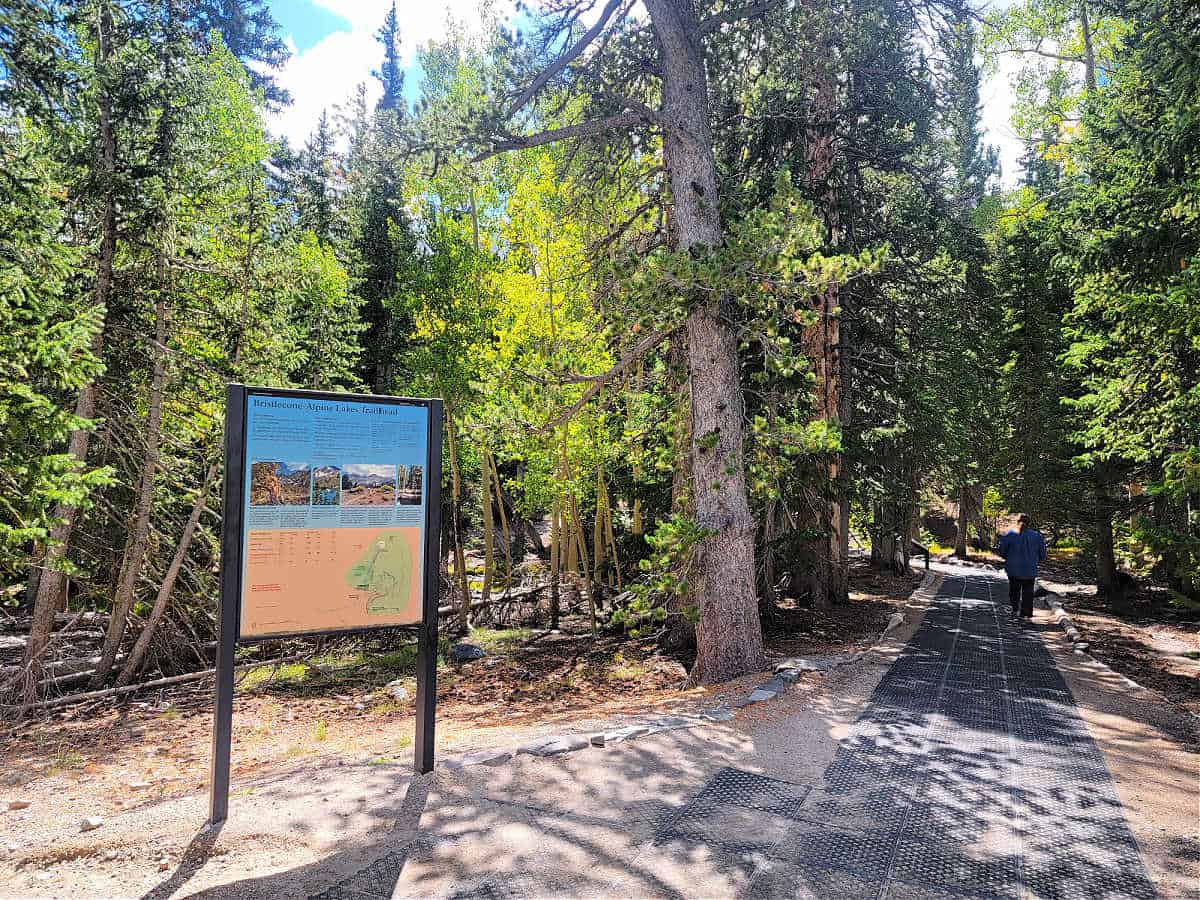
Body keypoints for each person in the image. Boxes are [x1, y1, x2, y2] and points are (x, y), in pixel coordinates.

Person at [997, 513, 1047, 620]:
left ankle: (1015, 609)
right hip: (1030, 570)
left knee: (1014, 590)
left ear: (1017, 522)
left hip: (1013, 569)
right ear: (1029, 523)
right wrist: (1038, 560)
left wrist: (1007, 558)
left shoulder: (1010, 535)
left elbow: (1002, 551)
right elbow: (1042, 553)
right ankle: (1026, 613)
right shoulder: (1037, 536)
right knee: (1028, 592)